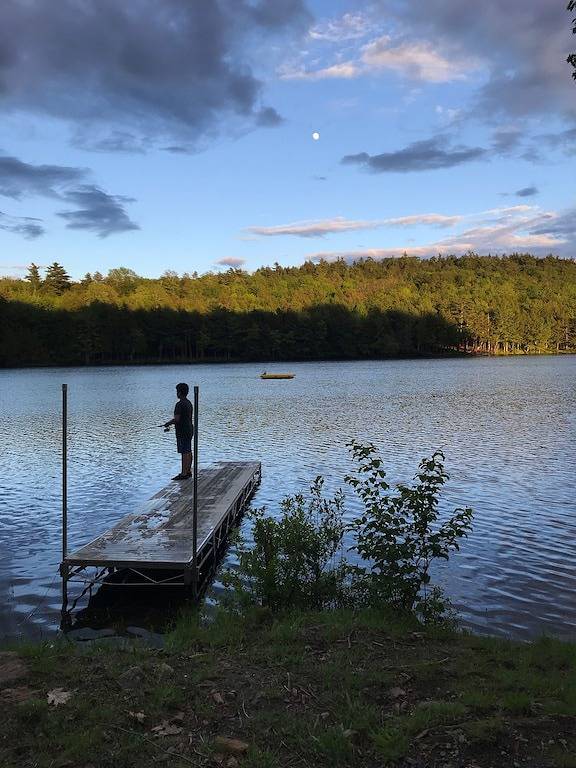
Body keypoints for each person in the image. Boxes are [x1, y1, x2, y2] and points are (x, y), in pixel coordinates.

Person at [164, 382, 193, 480]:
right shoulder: (189, 403)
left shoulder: (179, 404)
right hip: (189, 429)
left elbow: (177, 419)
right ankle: (188, 471)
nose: (176, 393)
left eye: (177, 391)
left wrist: (168, 423)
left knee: (184, 452)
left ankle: (183, 474)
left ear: (180, 392)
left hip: (182, 431)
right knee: (188, 451)